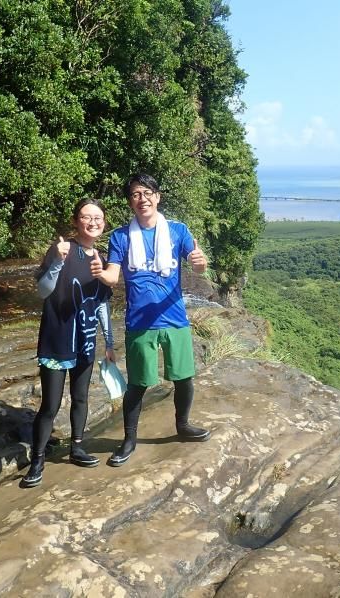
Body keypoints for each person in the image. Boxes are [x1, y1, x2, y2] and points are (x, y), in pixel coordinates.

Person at [92, 173, 210, 467]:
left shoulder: (178, 231)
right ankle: (129, 439)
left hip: (174, 319)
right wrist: (99, 272)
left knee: (183, 378)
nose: (142, 199)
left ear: (157, 197)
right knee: (138, 385)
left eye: (147, 193)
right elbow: (113, 276)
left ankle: (182, 426)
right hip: (139, 322)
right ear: (131, 202)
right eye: (135, 194)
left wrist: (200, 263)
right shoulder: (120, 237)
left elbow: (198, 265)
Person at [21, 199, 115, 488]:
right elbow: (43, 291)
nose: (93, 222)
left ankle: (76, 447)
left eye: (98, 217)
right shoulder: (62, 249)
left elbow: (102, 305)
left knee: (82, 397)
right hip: (57, 338)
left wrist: (109, 343)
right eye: (86, 217)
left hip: (85, 340)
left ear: (104, 222)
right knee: (50, 405)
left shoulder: (101, 257)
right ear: (76, 221)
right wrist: (57, 262)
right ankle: (37, 461)